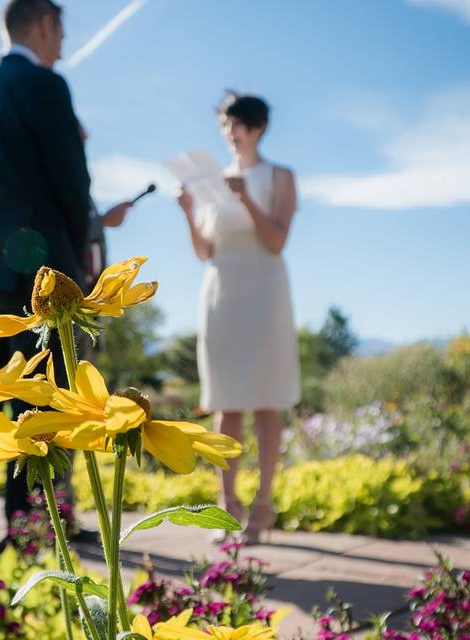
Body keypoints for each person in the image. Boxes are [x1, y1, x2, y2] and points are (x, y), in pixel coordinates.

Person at [0, 0, 122, 539]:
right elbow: (69, 182)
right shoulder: (48, 85)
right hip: (40, 267)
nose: (63, 44)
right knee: (49, 398)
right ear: (45, 24)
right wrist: (82, 238)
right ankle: (32, 528)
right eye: (62, 31)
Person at [176, 92, 300, 544]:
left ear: (258, 127)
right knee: (226, 401)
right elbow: (204, 251)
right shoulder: (211, 181)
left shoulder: (281, 176)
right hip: (222, 292)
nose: (231, 133)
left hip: (266, 292)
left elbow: (276, 241)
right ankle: (227, 506)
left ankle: (263, 505)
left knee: (268, 399)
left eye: (238, 125)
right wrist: (190, 214)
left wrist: (247, 200)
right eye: (225, 125)